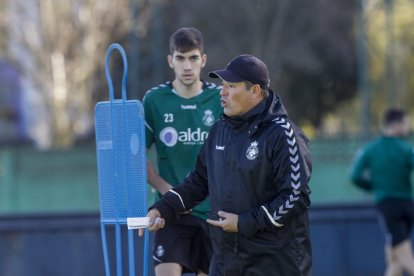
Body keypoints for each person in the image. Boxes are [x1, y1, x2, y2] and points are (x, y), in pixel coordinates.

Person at [140, 54, 313, 275]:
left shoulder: (283, 134)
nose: (222, 92)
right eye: (223, 85)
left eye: (231, 86)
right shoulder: (220, 130)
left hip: (274, 263)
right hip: (225, 261)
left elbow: (295, 197)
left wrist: (244, 222)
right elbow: (199, 181)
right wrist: (163, 209)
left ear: (255, 91)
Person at [143, 27, 222, 276]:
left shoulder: (220, 98)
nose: (187, 66)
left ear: (203, 60)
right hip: (171, 213)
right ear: (170, 60)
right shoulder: (154, 100)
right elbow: (136, 158)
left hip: (212, 212)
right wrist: (169, 192)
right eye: (180, 58)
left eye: (193, 58)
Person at [350, 108, 414, 276]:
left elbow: (355, 176)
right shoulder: (406, 149)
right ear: (398, 124)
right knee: (395, 258)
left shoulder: (371, 149)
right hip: (408, 206)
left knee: (404, 255)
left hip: (387, 206)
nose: (408, 128)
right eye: (406, 124)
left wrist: (374, 186)